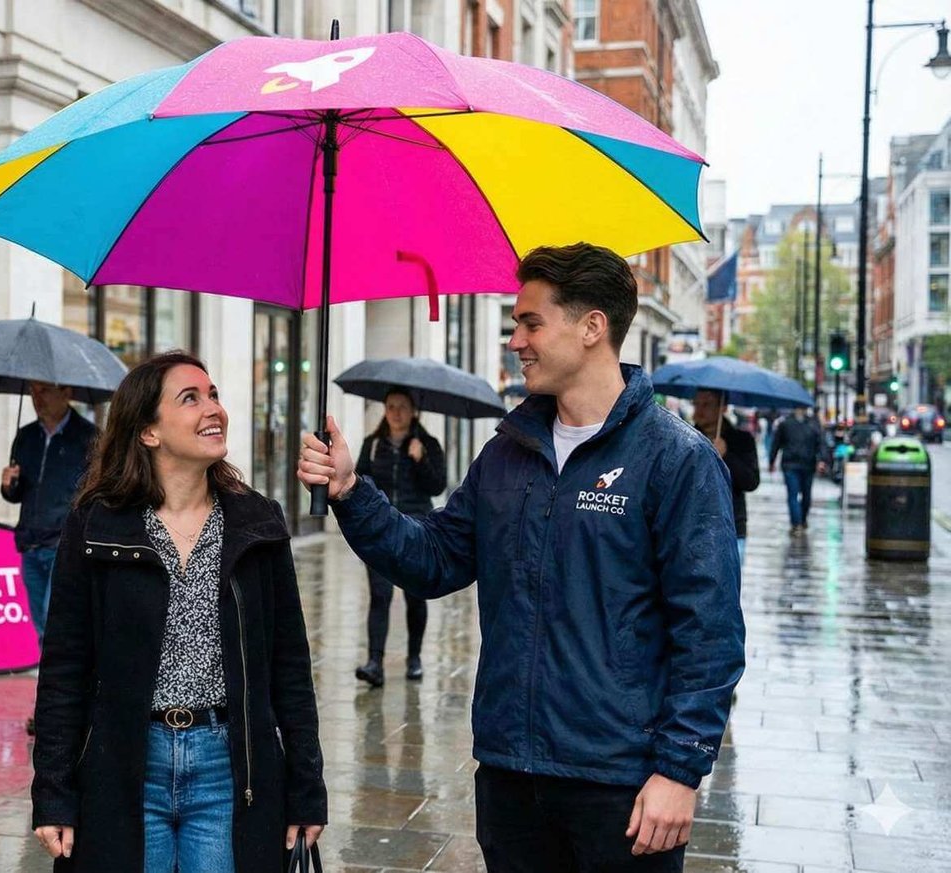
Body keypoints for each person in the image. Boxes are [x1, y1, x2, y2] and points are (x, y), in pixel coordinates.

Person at [298, 243, 745, 871]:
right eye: (514, 323)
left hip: (621, 785)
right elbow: (433, 559)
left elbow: (710, 633)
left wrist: (680, 769)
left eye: (530, 322)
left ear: (592, 327)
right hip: (511, 774)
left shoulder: (676, 460)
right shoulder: (508, 453)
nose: (516, 340)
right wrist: (351, 492)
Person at [31, 352, 327, 873]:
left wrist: (307, 788)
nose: (213, 408)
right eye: (190, 399)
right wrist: (53, 791)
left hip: (229, 769)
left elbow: (289, 667)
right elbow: (64, 670)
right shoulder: (97, 526)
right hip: (126, 764)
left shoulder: (256, 523)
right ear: (148, 431)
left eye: (213, 394)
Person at [353, 388, 446, 686]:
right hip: (380, 529)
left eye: (402, 407)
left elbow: (437, 486)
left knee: (415, 596)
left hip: (417, 528)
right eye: (391, 406)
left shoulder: (427, 444)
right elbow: (360, 482)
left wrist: (420, 460)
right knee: (380, 595)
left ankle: (414, 657)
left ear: (413, 411)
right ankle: (374, 663)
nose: (396, 412)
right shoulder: (372, 444)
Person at [1, 381, 97, 640]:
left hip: (64, 544)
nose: (36, 399)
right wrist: (9, 485)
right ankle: (52, 679)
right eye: (32, 392)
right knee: (41, 627)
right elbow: (17, 494)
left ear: (66, 393)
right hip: (30, 543)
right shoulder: (26, 436)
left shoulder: (89, 437)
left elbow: (97, 492)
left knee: (54, 618)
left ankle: (62, 679)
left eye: (43, 391)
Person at [691, 389, 760, 565]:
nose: (699, 410)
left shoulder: (742, 440)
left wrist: (726, 455)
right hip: (692, 527)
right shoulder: (685, 439)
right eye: (696, 404)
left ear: (723, 408)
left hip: (731, 527)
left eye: (707, 405)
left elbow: (750, 481)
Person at [768, 405, 821, 533]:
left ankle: (799, 521)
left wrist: (772, 460)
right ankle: (798, 522)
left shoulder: (810, 425)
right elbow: (777, 443)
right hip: (794, 464)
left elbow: (819, 444)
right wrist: (772, 460)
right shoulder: (807, 424)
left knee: (802, 495)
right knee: (796, 494)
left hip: (803, 464)